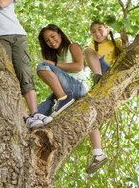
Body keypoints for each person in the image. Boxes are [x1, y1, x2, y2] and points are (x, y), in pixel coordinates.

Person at [35, 24, 108, 174]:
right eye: (47, 41)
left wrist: (53, 65)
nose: (51, 41)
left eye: (53, 37)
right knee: (37, 115)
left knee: (42, 67)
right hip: (67, 92)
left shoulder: (72, 46)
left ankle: (64, 99)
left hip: (78, 87)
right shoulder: (55, 57)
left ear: (60, 34)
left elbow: (79, 66)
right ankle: (98, 153)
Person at [0, 0, 52, 130]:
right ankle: (24, 116)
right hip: (0, 38)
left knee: (25, 72)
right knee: (8, 76)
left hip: (18, 36)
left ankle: (35, 112)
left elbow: (3, 3)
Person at [84, 21, 123, 85]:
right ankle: (98, 78)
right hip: (103, 73)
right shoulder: (91, 48)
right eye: (93, 32)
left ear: (107, 30)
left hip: (115, 71)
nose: (97, 33)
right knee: (87, 50)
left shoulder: (117, 43)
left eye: (100, 29)